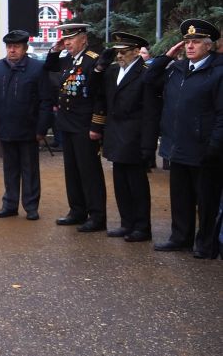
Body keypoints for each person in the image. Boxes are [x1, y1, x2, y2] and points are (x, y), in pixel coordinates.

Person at [145, 19, 223, 258]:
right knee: (180, 197)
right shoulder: (177, 69)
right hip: (178, 145)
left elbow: (222, 113)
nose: (190, 46)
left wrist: (215, 145)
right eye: (187, 42)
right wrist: (166, 57)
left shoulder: (218, 71)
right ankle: (180, 238)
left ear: (208, 46)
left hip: (204, 148)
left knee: (206, 200)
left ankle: (205, 244)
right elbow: (148, 83)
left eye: (196, 42)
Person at [89, 32, 160, 242]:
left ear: (137, 52)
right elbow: (96, 91)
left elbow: (150, 113)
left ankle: (142, 226)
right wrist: (99, 67)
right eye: (117, 52)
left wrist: (148, 145)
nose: (119, 56)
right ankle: (126, 223)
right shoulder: (112, 71)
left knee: (137, 184)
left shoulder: (145, 72)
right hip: (115, 133)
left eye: (124, 52)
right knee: (120, 182)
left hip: (135, 137)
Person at [46, 23, 108, 232]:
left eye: (71, 39)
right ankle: (77, 210)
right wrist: (54, 50)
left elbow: (99, 96)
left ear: (83, 39)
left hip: (84, 125)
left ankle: (97, 215)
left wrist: (96, 126)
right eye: (65, 39)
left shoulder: (93, 60)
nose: (67, 43)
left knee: (89, 172)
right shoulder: (68, 60)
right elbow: (50, 68)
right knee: (72, 171)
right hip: (67, 124)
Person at [0, 30, 52, 220]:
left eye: (16, 47)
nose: (12, 50)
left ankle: (31, 207)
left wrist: (41, 129)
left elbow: (45, 101)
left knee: (30, 169)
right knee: (10, 169)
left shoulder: (37, 68)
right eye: (9, 47)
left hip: (29, 129)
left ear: (25, 48)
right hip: (5, 127)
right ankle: (10, 204)